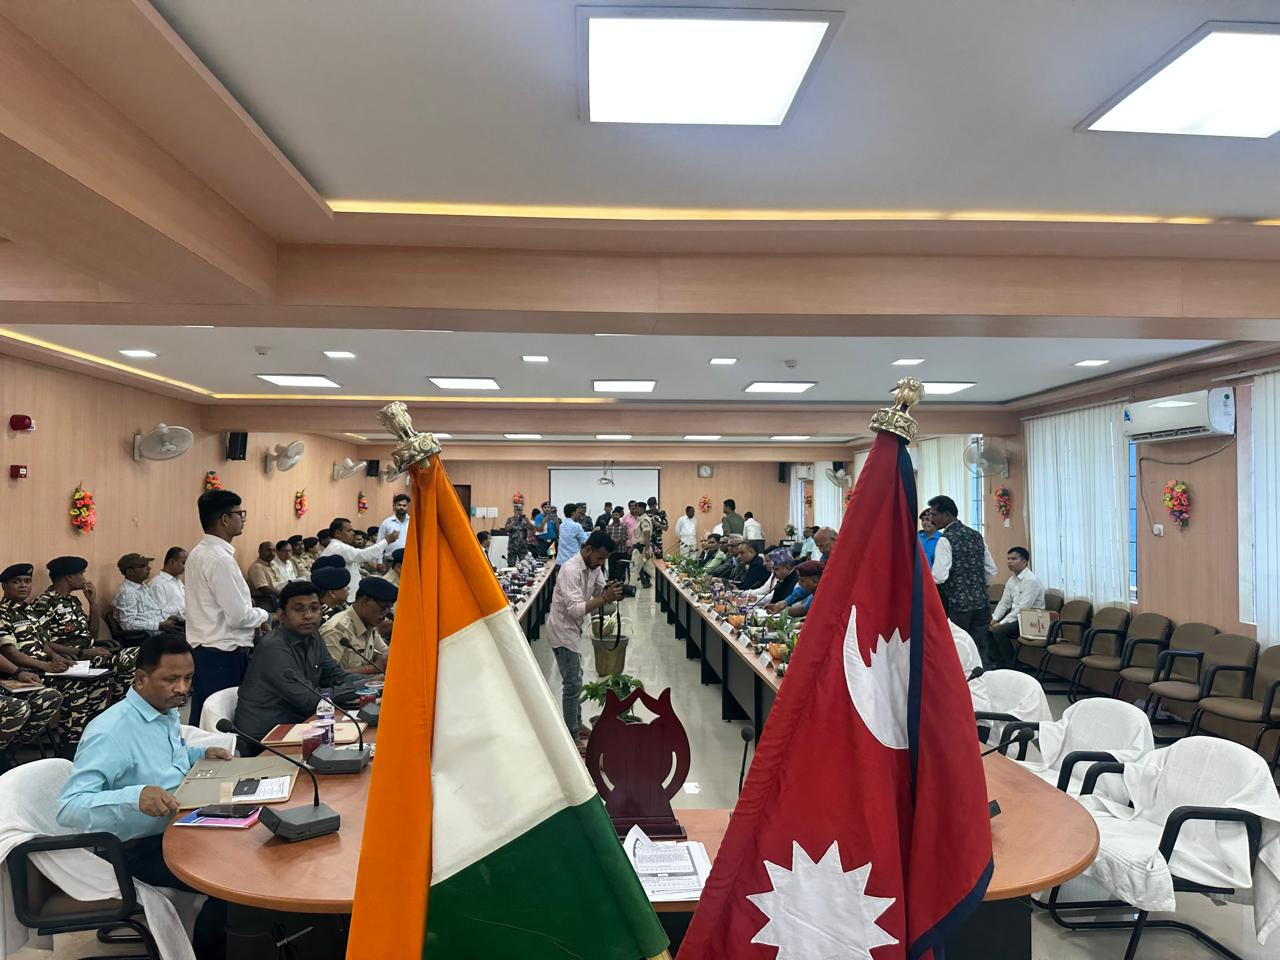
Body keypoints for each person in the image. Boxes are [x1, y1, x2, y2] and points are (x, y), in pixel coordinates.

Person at [57, 632, 231, 960]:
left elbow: (166, 760)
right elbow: (70, 807)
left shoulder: (162, 711)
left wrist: (199, 754)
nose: (182, 688)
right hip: (137, 849)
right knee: (230, 884)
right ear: (141, 679)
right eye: (171, 679)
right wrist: (136, 797)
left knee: (250, 850)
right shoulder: (111, 732)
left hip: (180, 827)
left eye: (188, 678)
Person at [233, 580, 363, 746]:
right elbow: (311, 700)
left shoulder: (314, 636)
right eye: (298, 609)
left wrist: (375, 683)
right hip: (265, 738)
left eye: (314, 608)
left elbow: (335, 676)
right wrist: (361, 687)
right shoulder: (273, 648)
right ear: (282, 616)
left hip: (301, 726)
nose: (308, 615)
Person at [184, 489, 269, 728]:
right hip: (223, 656)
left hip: (207, 653)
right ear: (224, 519)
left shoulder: (199, 553)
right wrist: (264, 615)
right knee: (221, 725)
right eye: (240, 513)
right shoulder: (219, 559)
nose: (243, 519)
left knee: (206, 721)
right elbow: (239, 616)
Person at [1, 563, 107, 746]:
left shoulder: (29, 611)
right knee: (74, 686)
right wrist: (45, 665)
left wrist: (57, 658)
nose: (23, 585)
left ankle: (96, 737)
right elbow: (9, 652)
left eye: (27, 581)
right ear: (4, 585)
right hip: (25, 672)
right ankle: (69, 745)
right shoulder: (3, 612)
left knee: (98, 680)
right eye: (16, 581)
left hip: (44, 668)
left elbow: (44, 643)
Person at [546, 532, 622, 743]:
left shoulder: (594, 567)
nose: (601, 562)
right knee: (572, 683)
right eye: (600, 557)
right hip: (562, 630)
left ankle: (577, 723)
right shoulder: (570, 570)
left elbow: (600, 590)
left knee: (576, 678)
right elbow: (576, 609)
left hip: (574, 630)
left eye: (605, 559)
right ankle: (571, 735)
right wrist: (604, 598)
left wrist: (613, 591)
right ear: (588, 549)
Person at [928, 495, 998, 666]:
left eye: (934, 514)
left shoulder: (945, 539)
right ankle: (982, 678)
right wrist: (977, 587)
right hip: (981, 603)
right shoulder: (976, 535)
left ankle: (962, 681)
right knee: (980, 647)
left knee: (959, 648)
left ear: (947, 515)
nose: (931, 519)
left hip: (958, 605)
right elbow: (991, 570)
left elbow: (939, 576)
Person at [321, 577, 395, 674]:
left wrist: (383, 659)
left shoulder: (369, 624)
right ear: (365, 601)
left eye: (389, 609)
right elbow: (326, 675)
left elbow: (385, 653)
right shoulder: (336, 629)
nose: (385, 615)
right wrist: (372, 669)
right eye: (384, 608)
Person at [989, 547, 1046, 668]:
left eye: (1013, 559)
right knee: (988, 627)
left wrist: (1001, 623)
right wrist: (994, 619)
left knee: (998, 631)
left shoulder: (1031, 581)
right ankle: (998, 662)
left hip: (1031, 620)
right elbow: (1004, 603)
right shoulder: (1012, 580)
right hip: (1018, 618)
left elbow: (1023, 608)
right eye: (1008, 559)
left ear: (1024, 562)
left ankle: (1012, 665)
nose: (1009, 562)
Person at [320, 516, 399, 601]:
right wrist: (386, 541)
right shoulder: (338, 548)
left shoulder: (339, 547)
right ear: (338, 533)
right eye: (349, 531)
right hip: (345, 596)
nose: (353, 533)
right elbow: (363, 555)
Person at [113, 553, 180, 635]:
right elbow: (127, 624)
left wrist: (167, 618)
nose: (148, 568)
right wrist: (159, 625)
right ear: (129, 572)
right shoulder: (127, 592)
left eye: (147, 565)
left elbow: (151, 612)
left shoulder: (143, 587)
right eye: (142, 566)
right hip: (149, 636)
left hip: (161, 631)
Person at [149, 547, 187, 620]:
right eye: (183, 563)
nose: (185, 567)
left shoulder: (178, 581)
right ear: (172, 562)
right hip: (172, 624)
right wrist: (182, 608)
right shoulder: (157, 584)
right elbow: (159, 612)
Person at [245, 540, 281, 611]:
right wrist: (284, 594)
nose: (272, 553)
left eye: (274, 551)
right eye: (268, 550)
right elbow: (264, 588)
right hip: (267, 600)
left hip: (277, 597)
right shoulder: (257, 567)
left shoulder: (273, 565)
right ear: (260, 552)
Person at [378, 494, 411, 562]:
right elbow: (379, 543)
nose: (401, 507)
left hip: (409, 561)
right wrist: (379, 561)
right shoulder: (386, 523)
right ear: (394, 506)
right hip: (390, 561)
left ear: (408, 506)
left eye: (404, 505)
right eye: (399, 505)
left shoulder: (412, 523)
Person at [556, 503, 590, 568]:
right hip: (572, 561)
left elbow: (574, 534)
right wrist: (594, 535)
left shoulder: (562, 525)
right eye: (577, 512)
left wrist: (590, 533)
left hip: (561, 561)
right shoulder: (577, 526)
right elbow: (585, 541)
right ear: (573, 513)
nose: (578, 514)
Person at [503, 501, 534, 566]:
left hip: (523, 547)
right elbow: (506, 528)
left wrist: (527, 521)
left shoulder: (525, 519)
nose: (519, 512)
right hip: (513, 547)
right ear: (514, 511)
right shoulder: (510, 519)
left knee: (525, 565)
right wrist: (514, 521)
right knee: (511, 565)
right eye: (517, 510)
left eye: (520, 510)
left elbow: (531, 528)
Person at [631, 502, 655, 589]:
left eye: (637, 508)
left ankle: (631, 588)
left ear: (642, 509)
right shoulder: (640, 519)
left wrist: (647, 551)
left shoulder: (644, 520)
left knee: (634, 569)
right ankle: (664, 582)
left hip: (642, 549)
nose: (635, 510)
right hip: (641, 548)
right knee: (650, 569)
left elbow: (647, 535)